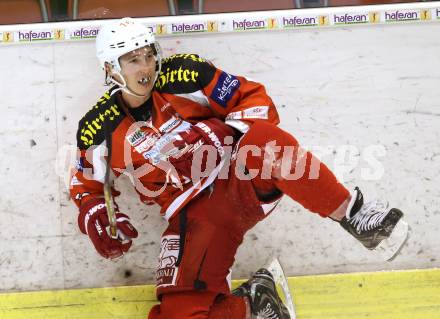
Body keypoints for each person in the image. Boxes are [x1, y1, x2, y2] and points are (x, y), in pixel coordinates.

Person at [69, 17, 407, 319]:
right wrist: (99, 218)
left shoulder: (184, 73)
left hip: (238, 178)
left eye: (148, 54)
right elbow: (86, 187)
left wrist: (217, 135)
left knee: (265, 141)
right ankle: (256, 303)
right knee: (177, 314)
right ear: (111, 68)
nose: (146, 67)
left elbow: (255, 99)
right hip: (192, 216)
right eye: (132, 60)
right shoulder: (97, 127)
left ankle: (356, 215)